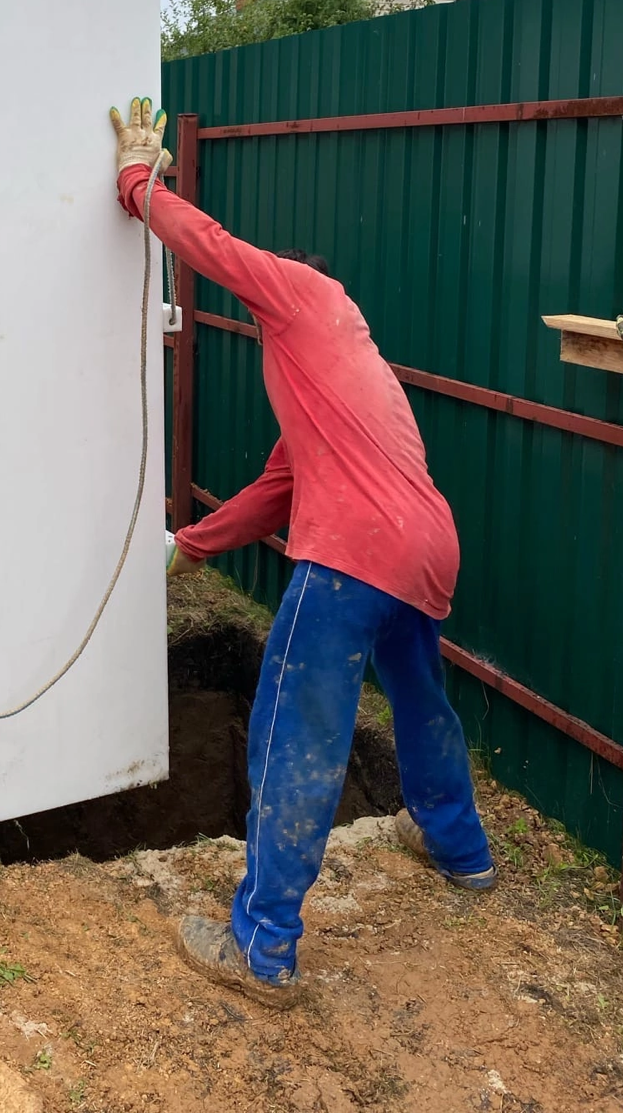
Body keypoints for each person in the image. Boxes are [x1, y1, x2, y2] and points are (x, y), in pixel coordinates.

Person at [109, 99, 494, 1009]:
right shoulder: (352, 371)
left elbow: (212, 247)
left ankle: (263, 948)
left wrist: (136, 184)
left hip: (354, 557)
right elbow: (277, 490)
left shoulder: (302, 295)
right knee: (419, 700)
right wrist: (190, 548)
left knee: (295, 731)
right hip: (425, 550)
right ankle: (460, 850)